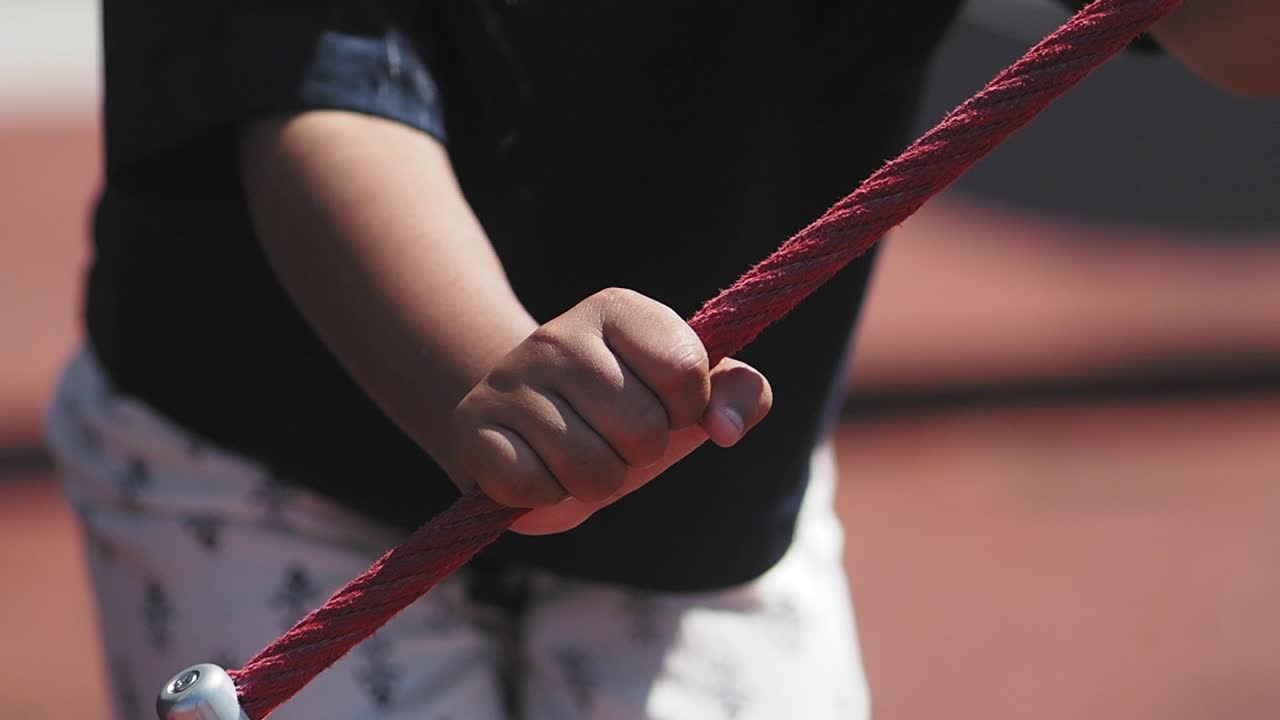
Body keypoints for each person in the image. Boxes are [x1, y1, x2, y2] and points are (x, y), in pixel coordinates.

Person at [44, 1, 1278, 718]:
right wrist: (491, 380)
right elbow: (307, 96)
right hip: (265, 459)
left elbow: (1238, 40)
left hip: (701, 475)